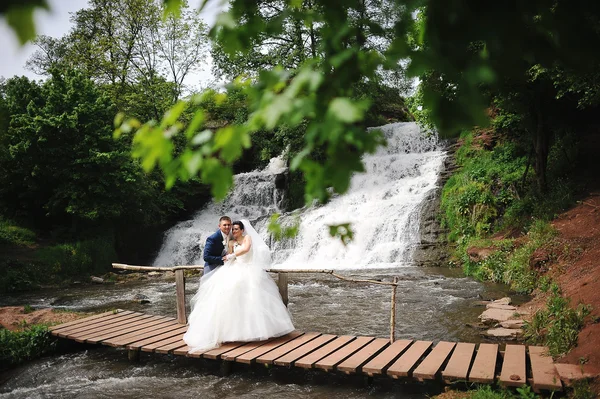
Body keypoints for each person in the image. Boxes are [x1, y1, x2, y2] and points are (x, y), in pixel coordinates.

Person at [184, 219, 295, 352]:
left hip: (249, 269)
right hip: (234, 268)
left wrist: (232, 255)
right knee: (226, 296)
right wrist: (228, 257)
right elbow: (227, 257)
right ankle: (227, 332)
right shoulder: (230, 242)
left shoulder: (247, 238)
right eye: (233, 229)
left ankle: (256, 330)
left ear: (242, 230)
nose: (234, 230)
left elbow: (246, 249)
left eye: (236, 228)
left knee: (253, 297)